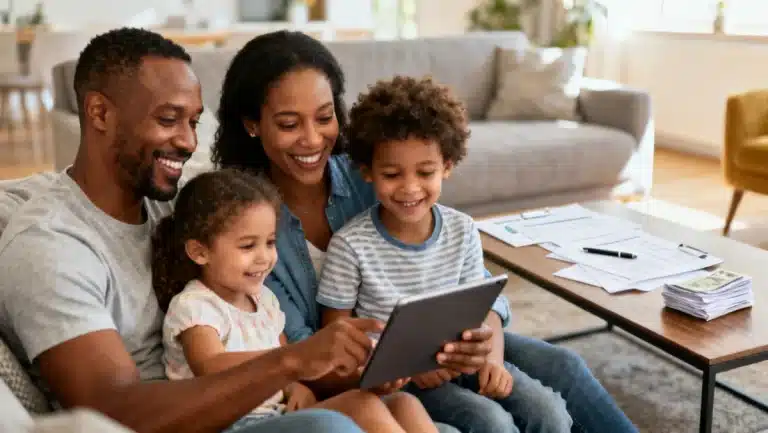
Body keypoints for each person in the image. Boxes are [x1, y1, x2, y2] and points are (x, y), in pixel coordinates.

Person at [0, 28, 486, 433]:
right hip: (196, 420)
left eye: (193, 121)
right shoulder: (51, 246)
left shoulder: (172, 203)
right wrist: (292, 363)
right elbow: (112, 412)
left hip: (261, 398)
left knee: (408, 408)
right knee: (337, 425)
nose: (189, 142)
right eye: (169, 120)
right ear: (100, 113)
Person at [211, 29, 639, 433]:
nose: (312, 139)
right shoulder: (246, 226)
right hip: (370, 374)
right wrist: (397, 367)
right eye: (289, 124)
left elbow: (468, 278)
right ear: (252, 124)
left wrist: (484, 337)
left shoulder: (373, 173)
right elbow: (304, 353)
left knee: (563, 367)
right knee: (485, 418)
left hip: (447, 345)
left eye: (324, 118)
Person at [316, 75, 572, 433]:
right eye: (391, 173)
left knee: (549, 411)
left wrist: (493, 360)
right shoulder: (350, 245)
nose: (409, 188)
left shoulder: (462, 229)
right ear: (367, 172)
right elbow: (337, 338)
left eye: (425, 172)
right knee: (491, 422)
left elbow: (481, 310)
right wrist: (406, 366)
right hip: (406, 382)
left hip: (466, 361)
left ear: (447, 166)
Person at [152, 168, 439, 433]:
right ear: (200, 252)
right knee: (358, 405)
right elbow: (210, 367)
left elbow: (285, 359)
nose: (264, 257)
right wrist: (296, 362)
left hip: (274, 415)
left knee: (403, 403)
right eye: (248, 245)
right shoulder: (194, 305)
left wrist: (295, 386)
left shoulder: (263, 299)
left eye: (270, 242)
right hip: (228, 424)